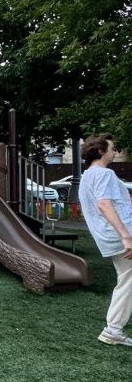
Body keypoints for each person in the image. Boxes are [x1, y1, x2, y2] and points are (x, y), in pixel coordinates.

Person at [78, 133, 132, 346]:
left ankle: (113, 329)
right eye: (112, 148)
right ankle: (113, 329)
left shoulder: (87, 177)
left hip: (109, 237)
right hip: (121, 236)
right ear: (101, 151)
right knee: (128, 281)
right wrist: (126, 236)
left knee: (127, 279)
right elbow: (103, 204)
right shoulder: (104, 173)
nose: (114, 152)